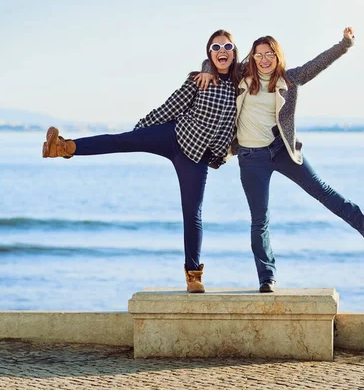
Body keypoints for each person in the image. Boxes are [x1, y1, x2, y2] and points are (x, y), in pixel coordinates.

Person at [42, 29, 239, 293]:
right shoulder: (199, 80)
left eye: (227, 46)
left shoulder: (242, 83)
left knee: (192, 213)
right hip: (174, 134)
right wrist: (140, 132)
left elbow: (261, 67)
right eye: (215, 48)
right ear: (209, 54)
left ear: (234, 51)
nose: (221, 51)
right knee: (121, 140)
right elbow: (171, 107)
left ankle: (193, 275)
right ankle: (64, 147)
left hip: (197, 155)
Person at [196, 28, 364, 293]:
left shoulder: (291, 78)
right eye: (259, 55)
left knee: (322, 190)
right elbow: (220, 59)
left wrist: (345, 44)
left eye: (269, 54)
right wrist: (206, 67)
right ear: (252, 58)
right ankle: (267, 278)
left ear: (278, 57)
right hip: (251, 158)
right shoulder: (241, 76)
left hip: (281, 150)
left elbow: (318, 63)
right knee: (260, 220)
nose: (264, 60)